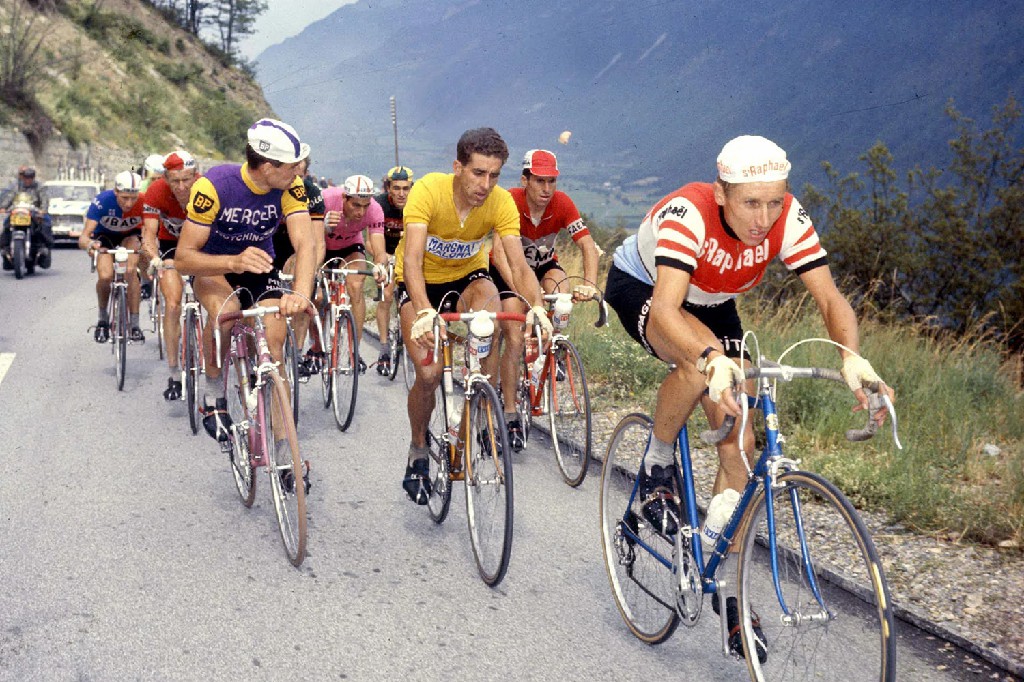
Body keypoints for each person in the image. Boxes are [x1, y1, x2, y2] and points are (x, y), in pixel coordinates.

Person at [604, 134, 895, 662]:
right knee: (701, 367)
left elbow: (829, 297)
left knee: (740, 440)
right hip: (646, 288)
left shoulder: (787, 217)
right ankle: (657, 462)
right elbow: (669, 311)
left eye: (775, 201)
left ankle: (730, 595)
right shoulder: (689, 212)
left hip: (714, 303)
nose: (764, 217)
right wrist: (711, 358)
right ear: (722, 194)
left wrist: (853, 358)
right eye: (750, 203)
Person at [396, 127, 552, 504]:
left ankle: (476, 393)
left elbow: (517, 265)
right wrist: (422, 312)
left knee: (492, 306)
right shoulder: (429, 191)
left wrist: (538, 309)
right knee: (430, 375)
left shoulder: (499, 203)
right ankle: (418, 447)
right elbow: (413, 261)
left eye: (495, 175)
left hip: (468, 278)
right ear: (457, 167)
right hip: (421, 283)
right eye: (478, 173)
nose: (486, 184)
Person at [174, 118, 315, 474]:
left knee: (276, 342)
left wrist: (299, 294)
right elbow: (183, 257)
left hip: (260, 268)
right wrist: (233, 259)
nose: (299, 170)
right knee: (227, 311)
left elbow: (305, 241)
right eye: (292, 164)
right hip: (215, 266)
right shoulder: (213, 186)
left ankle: (285, 453)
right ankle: (212, 391)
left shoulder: (291, 186)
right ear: (268, 167)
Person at [488, 149, 600, 449]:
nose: (546, 189)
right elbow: (499, 255)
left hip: (543, 267)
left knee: (561, 288)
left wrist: (589, 285)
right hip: (508, 272)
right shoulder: (510, 200)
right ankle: (510, 414)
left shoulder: (562, 204)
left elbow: (588, 247)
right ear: (525, 180)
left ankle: (555, 349)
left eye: (551, 181)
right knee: (513, 336)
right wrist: (524, 294)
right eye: (539, 181)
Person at [140, 150, 201, 401]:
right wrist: (153, 258)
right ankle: (174, 374)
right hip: (170, 248)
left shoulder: (205, 188)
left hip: (201, 247)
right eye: (174, 181)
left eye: (186, 179)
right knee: (173, 304)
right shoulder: (156, 191)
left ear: (195, 176)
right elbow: (149, 234)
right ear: (165, 177)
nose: (181, 186)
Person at [320, 174, 389, 374]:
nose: (361, 212)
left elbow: (378, 248)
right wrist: (324, 226)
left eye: (365, 206)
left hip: (351, 247)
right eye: (356, 205)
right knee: (316, 296)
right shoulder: (327, 199)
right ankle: (315, 347)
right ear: (344, 198)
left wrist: (379, 266)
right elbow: (307, 235)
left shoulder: (375, 210)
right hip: (323, 246)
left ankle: (354, 350)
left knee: (356, 286)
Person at [271, 156, 326, 377]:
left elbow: (318, 242)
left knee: (306, 296)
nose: (296, 180)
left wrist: (310, 271)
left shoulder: (311, 193)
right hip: (271, 245)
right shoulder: (272, 189)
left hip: (297, 246)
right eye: (292, 173)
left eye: (300, 176)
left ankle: (297, 352)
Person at [80, 171, 147, 343]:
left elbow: (150, 232)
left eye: (133, 198)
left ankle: (134, 324)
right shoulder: (102, 201)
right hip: (105, 238)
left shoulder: (144, 201)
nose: (129, 203)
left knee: (131, 271)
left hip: (130, 237)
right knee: (106, 276)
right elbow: (84, 236)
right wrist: (90, 245)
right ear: (116, 191)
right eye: (124, 197)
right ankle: (103, 319)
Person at [373, 165, 413, 374]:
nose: (401, 193)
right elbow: (371, 238)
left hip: (407, 255)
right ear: (388, 188)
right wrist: (381, 258)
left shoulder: (416, 205)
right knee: (386, 296)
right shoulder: (379, 205)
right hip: (385, 253)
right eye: (396, 188)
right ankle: (384, 349)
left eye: (406, 189)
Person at [1, 166, 53, 269]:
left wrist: (43, 210)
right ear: (23, 177)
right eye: (26, 177)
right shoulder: (17, 186)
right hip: (18, 211)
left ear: (33, 178)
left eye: (30, 177)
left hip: (34, 212)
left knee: (45, 225)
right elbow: (10, 197)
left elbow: (44, 199)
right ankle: (5, 248)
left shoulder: (39, 187)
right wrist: (3, 207)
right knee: (6, 224)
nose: (27, 180)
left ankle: (44, 247)